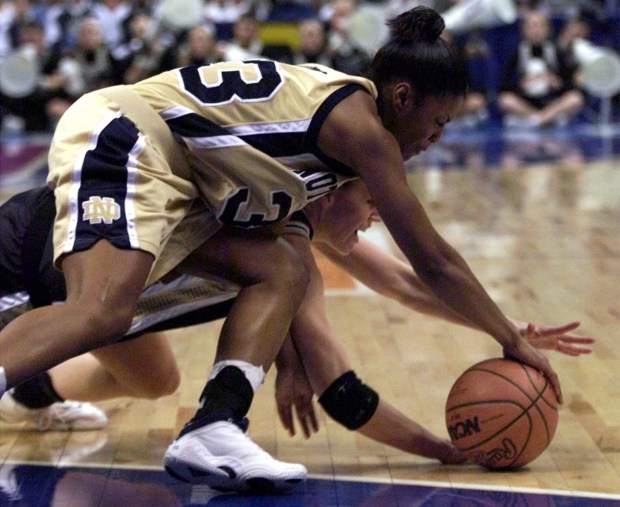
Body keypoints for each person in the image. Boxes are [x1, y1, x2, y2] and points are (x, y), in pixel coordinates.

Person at [0, 5, 563, 494]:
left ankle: (213, 426)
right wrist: (506, 337)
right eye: (437, 124)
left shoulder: (290, 209)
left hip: (168, 180)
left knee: (267, 278)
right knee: (102, 309)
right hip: (130, 135)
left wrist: (505, 326)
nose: (434, 141)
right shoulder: (362, 130)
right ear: (402, 95)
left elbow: (398, 284)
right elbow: (430, 263)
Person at [0, 182, 592, 461]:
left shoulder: (301, 234)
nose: (376, 218)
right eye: (371, 205)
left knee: (154, 380)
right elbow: (340, 388)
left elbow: (406, 283)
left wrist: (505, 327)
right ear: (330, 194)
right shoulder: (264, 218)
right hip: (44, 248)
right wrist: (438, 449)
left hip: (114, 302)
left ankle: (31, 390)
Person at [497, 9, 585, 128]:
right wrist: (521, 84)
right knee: (505, 100)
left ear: (547, 29)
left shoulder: (557, 51)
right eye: (532, 26)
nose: (536, 31)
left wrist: (558, 83)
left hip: (551, 101)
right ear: (524, 29)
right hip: (526, 102)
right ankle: (543, 118)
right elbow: (504, 85)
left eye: (540, 26)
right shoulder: (516, 51)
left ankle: (539, 120)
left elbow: (569, 82)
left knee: (576, 99)